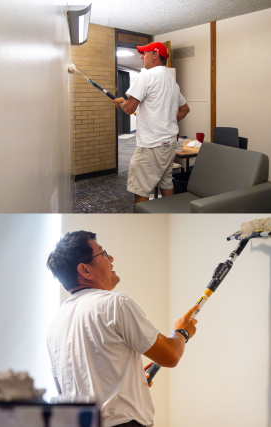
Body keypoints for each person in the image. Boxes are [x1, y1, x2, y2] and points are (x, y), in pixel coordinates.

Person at [46, 231, 198, 427]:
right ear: (85, 270)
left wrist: (128, 383)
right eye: (103, 253)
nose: (111, 258)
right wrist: (181, 332)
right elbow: (170, 355)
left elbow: (65, 390)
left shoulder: (55, 324)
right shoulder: (116, 303)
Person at [112, 42, 191, 207]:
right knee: (166, 183)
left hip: (151, 146)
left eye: (145, 53)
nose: (141, 56)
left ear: (155, 55)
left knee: (141, 190)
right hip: (169, 144)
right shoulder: (171, 81)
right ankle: (169, 219)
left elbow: (129, 109)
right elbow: (184, 110)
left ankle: (144, 229)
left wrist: (121, 102)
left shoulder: (146, 75)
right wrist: (166, 121)